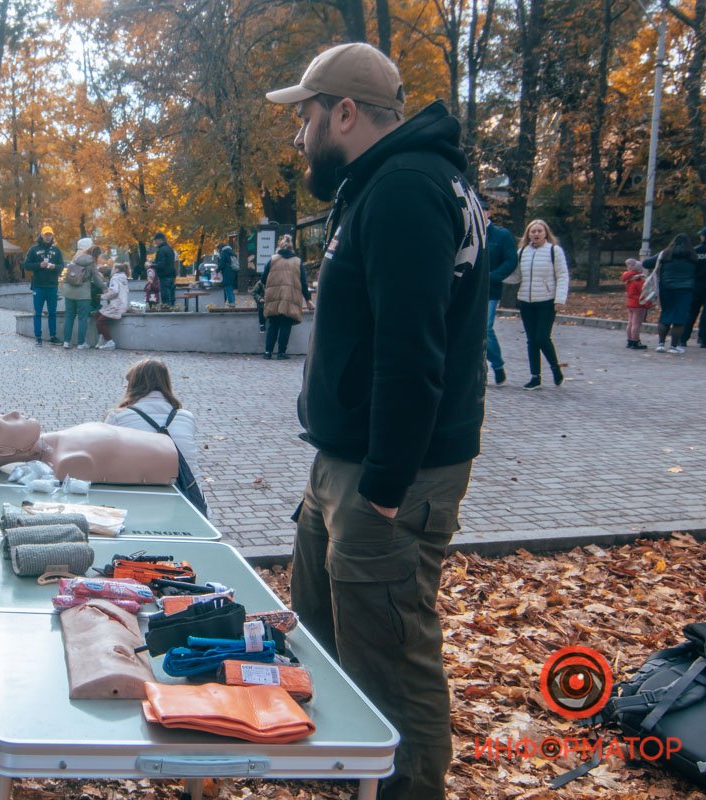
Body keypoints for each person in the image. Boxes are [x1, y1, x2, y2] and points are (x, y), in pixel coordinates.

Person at [267, 42, 487, 800]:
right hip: (345, 460)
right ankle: (348, 777)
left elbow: (412, 352)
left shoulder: (406, 189)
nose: (299, 138)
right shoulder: (382, 185)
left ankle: (406, 790)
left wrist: (386, 491)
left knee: (390, 662)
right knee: (326, 645)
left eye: (307, 118)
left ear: (347, 113)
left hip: (386, 476)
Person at [0, 411, 178, 483]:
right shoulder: (68, 463)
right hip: (171, 462)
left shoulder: (60, 445)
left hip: (169, 452)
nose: (13, 413)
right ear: (5, 451)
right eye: (4, 421)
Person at [104, 358, 199, 478]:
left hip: (140, 489)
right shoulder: (187, 417)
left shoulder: (118, 417)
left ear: (133, 385)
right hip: (189, 492)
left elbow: (106, 459)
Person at [513, 219, 568, 389]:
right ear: (528, 234)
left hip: (547, 301)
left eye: (539, 231)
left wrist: (560, 299)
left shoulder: (554, 251)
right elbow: (515, 275)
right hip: (526, 301)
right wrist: (497, 275)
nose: (536, 234)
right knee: (531, 340)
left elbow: (562, 275)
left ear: (546, 233)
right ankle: (535, 376)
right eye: (533, 231)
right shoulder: (521, 252)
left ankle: (555, 368)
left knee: (542, 337)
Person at [632, 233, 698, 353]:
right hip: (686, 290)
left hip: (666, 288)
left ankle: (661, 344)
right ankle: (674, 346)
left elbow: (646, 263)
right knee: (680, 318)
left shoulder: (665, 254)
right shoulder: (693, 256)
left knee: (666, 314)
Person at [260, 234, 311, 360]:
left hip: (273, 296)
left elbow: (263, 278)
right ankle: (281, 353)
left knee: (273, 324)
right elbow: (304, 283)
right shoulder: (297, 262)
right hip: (290, 297)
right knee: (285, 324)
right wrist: (308, 299)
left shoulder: (272, 259)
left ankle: (268, 352)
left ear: (280, 247)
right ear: (292, 248)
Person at [484, 212, 518, 385]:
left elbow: (511, 260)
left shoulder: (501, 235)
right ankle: (480, 368)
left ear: (487, 213)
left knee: (485, 328)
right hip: (465, 289)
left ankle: (497, 366)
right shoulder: (465, 232)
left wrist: (492, 276)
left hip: (490, 290)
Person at [60, 237, 108, 349]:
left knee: (69, 316)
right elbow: (96, 278)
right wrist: (104, 287)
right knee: (82, 318)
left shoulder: (73, 258)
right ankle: (81, 343)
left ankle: (66, 342)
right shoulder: (90, 260)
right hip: (83, 294)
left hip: (69, 292)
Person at [23, 225, 64, 345]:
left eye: (50, 234)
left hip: (52, 286)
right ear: (41, 235)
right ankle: (38, 337)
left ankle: (53, 336)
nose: (48, 237)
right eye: (46, 234)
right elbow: (26, 265)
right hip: (38, 286)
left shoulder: (56, 250)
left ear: (52, 236)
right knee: (37, 312)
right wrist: (39, 265)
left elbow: (62, 267)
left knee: (52, 312)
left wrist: (54, 267)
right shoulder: (34, 249)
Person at [95, 262, 130, 349]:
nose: (112, 271)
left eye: (113, 269)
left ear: (117, 270)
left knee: (100, 322)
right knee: (97, 314)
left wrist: (103, 297)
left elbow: (114, 292)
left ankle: (110, 342)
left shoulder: (115, 278)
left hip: (116, 306)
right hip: (121, 304)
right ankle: (102, 337)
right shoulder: (123, 278)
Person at [620, 260, 652, 349]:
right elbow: (644, 293)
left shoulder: (629, 280)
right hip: (638, 304)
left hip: (630, 303)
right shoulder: (640, 281)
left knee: (630, 323)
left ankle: (629, 341)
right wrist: (649, 304)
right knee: (636, 324)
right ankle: (636, 341)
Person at [683, 227, 706, 348]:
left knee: (690, 312)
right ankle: (704, 340)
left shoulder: (695, 251)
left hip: (695, 285)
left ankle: (683, 338)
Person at [151, 232, 177, 308]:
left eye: (155, 240)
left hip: (164, 277)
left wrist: (151, 265)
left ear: (159, 240)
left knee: (166, 300)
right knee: (171, 298)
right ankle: (172, 313)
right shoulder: (170, 249)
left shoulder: (161, 250)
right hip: (171, 276)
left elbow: (161, 265)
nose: (155, 242)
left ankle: (167, 315)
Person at [218, 241, 237, 306]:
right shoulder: (232, 252)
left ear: (221, 248)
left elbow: (221, 264)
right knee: (230, 288)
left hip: (227, 272)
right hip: (233, 272)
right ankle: (232, 302)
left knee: (228, 287)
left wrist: (217, 270)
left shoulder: (224, 253)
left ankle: (231, 303)